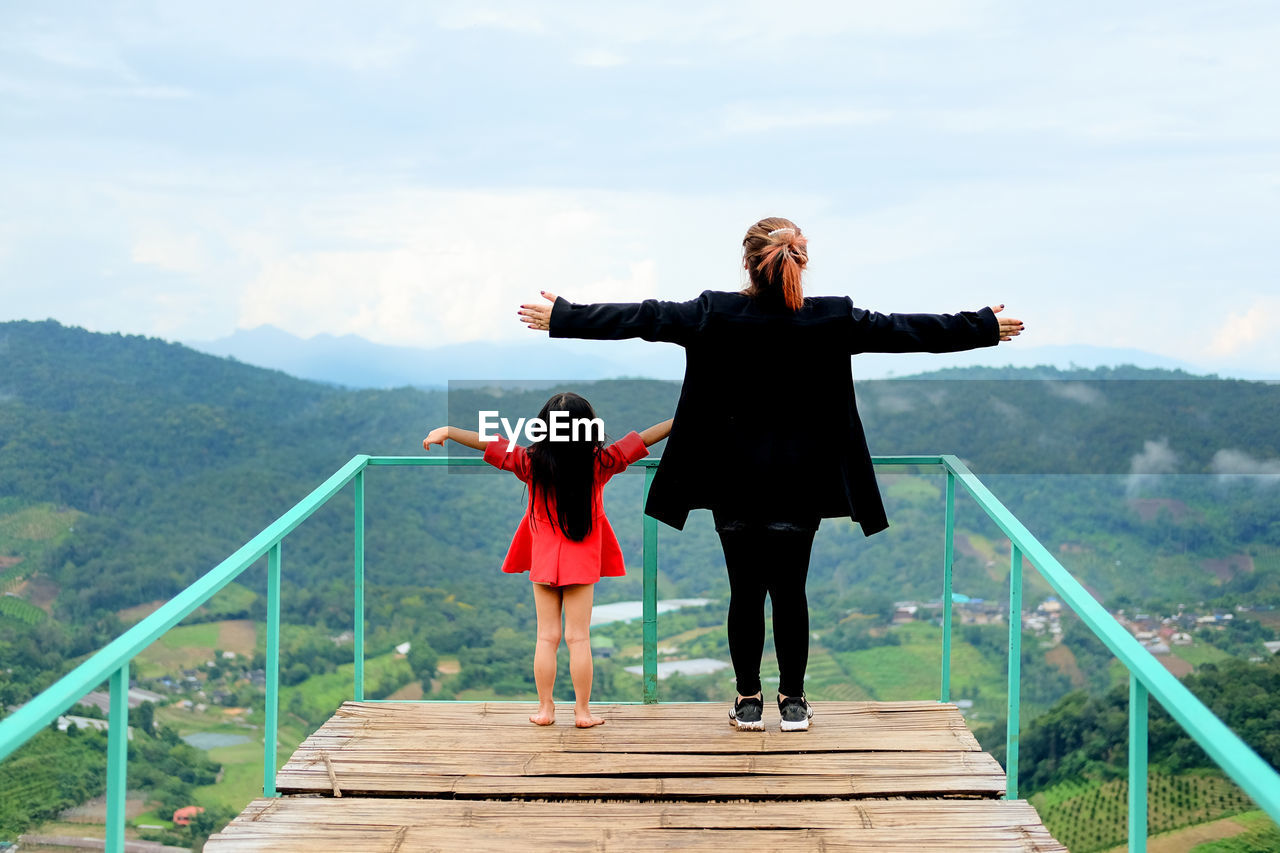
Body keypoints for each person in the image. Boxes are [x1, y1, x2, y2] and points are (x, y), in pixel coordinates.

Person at [517, 216, 1024, 732]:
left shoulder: (713, 313)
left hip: (731, 483)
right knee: (790, 592)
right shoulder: (832, 318)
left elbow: (644, 318)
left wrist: (564, 315)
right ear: (799, 262)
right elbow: (905, 331)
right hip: (800, 484)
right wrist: (980, 326)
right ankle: (795, 702)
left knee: (744, 594)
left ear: (747, 262)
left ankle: (748, 701)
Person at [424, 392, 673, 728]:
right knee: (579, 638)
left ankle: (545, 709)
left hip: (543, 558)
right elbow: (641, 439)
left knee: (546, 637)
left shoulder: (530, 461)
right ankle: (582, 713)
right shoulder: (600, 462)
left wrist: (449, 430)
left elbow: (490, 445)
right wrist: (682, 418)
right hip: (581, 560)